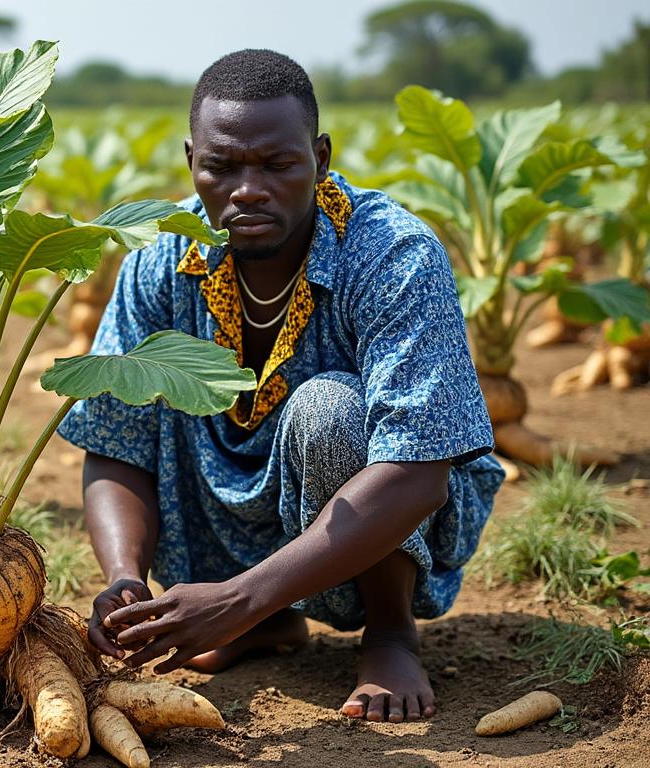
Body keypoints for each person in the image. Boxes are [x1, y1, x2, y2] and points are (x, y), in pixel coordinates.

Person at [56, 49, 506, 724]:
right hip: (218, 511)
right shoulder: (156, 261)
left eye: (277, 164)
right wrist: (125, 579)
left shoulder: (391, 254)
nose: (247, 189)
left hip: (378, 511)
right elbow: (117, 445)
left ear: (320, 158)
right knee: (157, 383)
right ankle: (267, 622)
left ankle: (388, 634)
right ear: (190, 161)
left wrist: (236, 598)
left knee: (329, 409)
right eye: (222, 166)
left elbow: (419, 474)